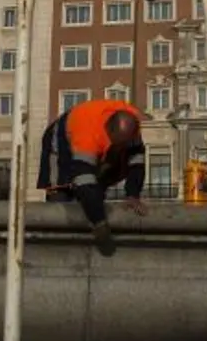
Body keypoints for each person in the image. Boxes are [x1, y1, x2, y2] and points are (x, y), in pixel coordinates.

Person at [39, 98, 149, 249]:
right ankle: (56, 245)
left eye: (125, 144)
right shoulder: (88, 136)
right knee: (61, 189)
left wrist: (133, 194)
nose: (123, 147)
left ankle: (94, 205)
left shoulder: (132, 128)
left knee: (101, 180)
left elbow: (137, 161)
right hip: (61, 138)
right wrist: (100, 223)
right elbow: (84, 180)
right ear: (109, 133)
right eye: (119, 145)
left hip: (99, 134)